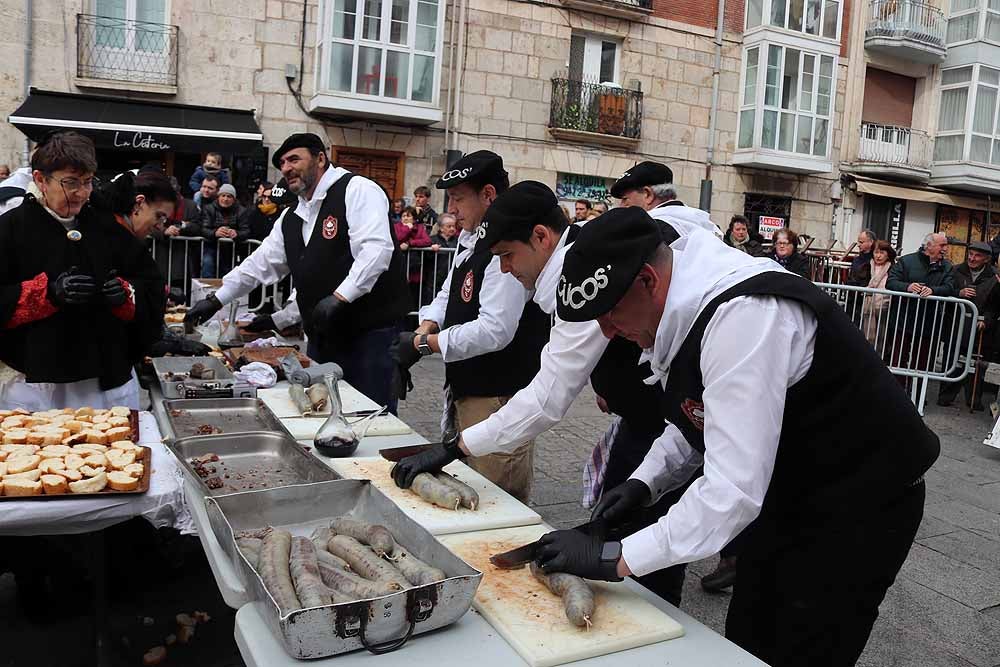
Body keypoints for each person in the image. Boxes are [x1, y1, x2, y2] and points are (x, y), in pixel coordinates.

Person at [528, 210, 938, 667]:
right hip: (792, 485)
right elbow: (700, 415)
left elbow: (732, 491)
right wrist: (645, 483)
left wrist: (615, 557)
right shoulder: (680, 303)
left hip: (862, 497)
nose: (606, 332)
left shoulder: (742, 316)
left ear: (646, 280)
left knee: (803, 643)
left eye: (609, 314)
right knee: (747, 632)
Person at [184, 132, 409, 410]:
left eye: (294, 159)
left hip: (370, 337)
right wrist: (217, 298)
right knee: (321, 413)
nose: (287, 168)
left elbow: (376, 251)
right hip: (323, 338)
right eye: (282, 163)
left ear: (321, 159)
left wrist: (341, 296)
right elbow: (260, 264)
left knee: (371, 417)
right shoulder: (291, 217)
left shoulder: (357, 189)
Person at [391, 154, 550, 502]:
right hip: (471, 390)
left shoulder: (504, 246)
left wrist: (426, 345)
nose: (452, 208)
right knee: (468, 492)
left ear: (489, 194)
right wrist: (423, 330)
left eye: (459, 198)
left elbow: (496, 329)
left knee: (495, 499)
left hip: (498, 396)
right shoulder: (472, 239)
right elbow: (449, 292)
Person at [0, 131, 166, 410]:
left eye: (88, 182)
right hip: (39, 385)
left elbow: (148, 281)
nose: (82, 193)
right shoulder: (11, 228)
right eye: (70, 183)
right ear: (41, 179)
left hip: (104, 379)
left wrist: (125, 295)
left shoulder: (106, 226)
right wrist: (46, 293)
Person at [937, 240, 996, 408]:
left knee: (977, 363)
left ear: (986, 259)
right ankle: (946, 395)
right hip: (956, 324)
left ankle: (973, 399)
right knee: (952, 359)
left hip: (980, 328)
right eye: (970, 254)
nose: (972, 258)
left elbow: (996, 305)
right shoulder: (956, 270)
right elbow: (946, 292)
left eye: (977, 255)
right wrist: (959, 293)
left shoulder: (993, 276)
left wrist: (986, 320)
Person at [611, 161, 722, 238]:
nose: (622, 205)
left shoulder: (650, 232)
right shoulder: (703, 224)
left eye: (625, 199)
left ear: (647, 194)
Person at [199, 183, 250, 278]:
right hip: (212, 246)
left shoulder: (242, 211)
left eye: (229, 196)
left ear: (234, 199)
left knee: (228, 274)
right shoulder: (209, 208)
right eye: (223, 195)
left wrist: (236, 233)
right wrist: (215, 233)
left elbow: (246, 230)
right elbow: (203, 228)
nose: (225, 199)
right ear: (218, 197)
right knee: (207, 265)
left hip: (232, 250)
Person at [394, 205, 433, 311]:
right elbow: (397, 238)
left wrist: (410, 243)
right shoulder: (396, 227)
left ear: (414, 218)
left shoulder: (419, 228)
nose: (405, 218)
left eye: (408, 216)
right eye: (403, 216)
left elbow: (427, 241)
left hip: (415, 270)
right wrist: (407, 228)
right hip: (400, 268)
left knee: (415, 300)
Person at [859, 240, 897, 345]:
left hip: (885, 307)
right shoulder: (866, 267)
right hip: (868, 306)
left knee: (883, 336)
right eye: (876, 252)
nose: (878, 256)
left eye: (882, 253)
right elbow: (859, 282)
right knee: (866, 335)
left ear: (888, 255)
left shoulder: (894, 269)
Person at [422, 212, 459, 304]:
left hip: (452, 278)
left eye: (453, 226)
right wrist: (431, 249)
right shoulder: (432, 240)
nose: (452, 229)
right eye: (449, 226)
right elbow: (425, 258)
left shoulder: (458, 240)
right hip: (435, 280)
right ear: (441, 228)